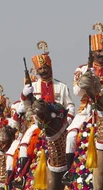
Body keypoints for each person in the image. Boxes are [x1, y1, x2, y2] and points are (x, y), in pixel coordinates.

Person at [63, 23, 103, 183]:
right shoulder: (82, 69)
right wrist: (87, 79)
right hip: (87, 110)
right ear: (92, 52)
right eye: (99, 51)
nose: (102, 54)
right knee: (71, 136)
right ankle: (69, 173)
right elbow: (77, 92)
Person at [17, 41, 75, 179]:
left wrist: (67, 121)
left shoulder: (61, 86)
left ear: (50, 67)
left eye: (46, 68)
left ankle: (72, 172)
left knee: (74, 139)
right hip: (38, 125)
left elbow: (70, 106)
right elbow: (25, 107)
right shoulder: (34, 87)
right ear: (36, 71)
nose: (43, 71)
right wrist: (25, 94)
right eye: (40, 69)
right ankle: (22, 178)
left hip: (60, 125)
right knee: (24, 145)